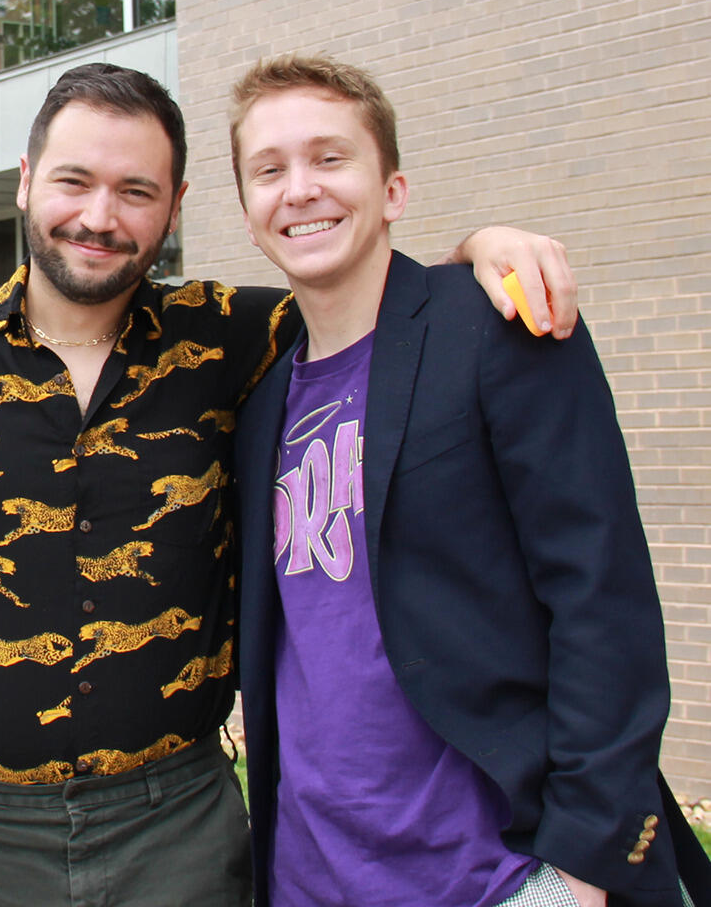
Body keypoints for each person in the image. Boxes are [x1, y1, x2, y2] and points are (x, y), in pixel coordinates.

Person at [0, 61, 578, 906]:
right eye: (72, 182)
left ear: (175, 205)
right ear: (23, 183)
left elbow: (373, 294)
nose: (98, 217)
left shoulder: (242, 335)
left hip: (180, 828)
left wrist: (479, 251)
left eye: (135, 190)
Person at [228, 53, 711, 907]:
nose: (299, 188)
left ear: (393, 191)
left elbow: (602, 599)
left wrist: (581, 872)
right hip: (309, 877)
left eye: (330, 158)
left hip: (499, 876)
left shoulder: (493, 326)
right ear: (247, 208)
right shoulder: (259, 400)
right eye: (269, 169)